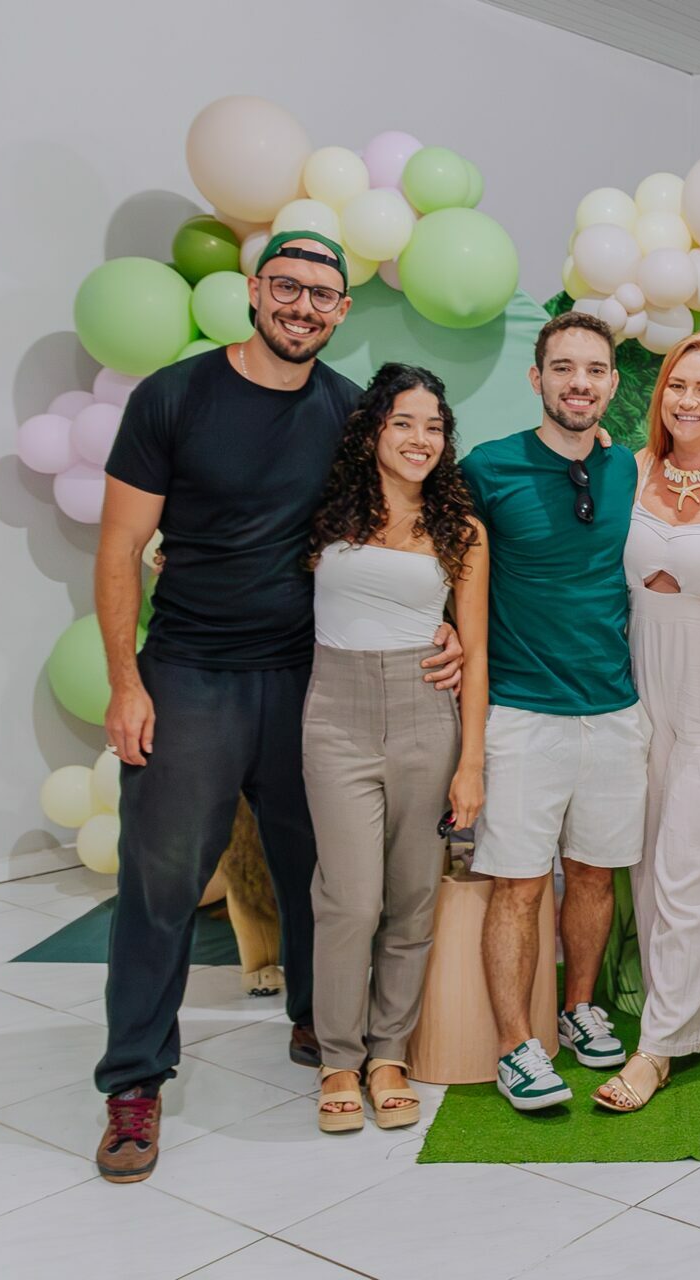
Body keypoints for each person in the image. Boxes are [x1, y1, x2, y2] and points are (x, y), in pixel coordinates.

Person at [92, 232, 461, 1183]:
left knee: (321, 874)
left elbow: (401, 528)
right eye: (288, 288)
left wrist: (449, 628)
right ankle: (134, 1080)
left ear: (342, 310)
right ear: (255, 291)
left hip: (313, 680)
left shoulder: (347, 414)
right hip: (191, 674)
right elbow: (121, 547)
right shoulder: (173, 396)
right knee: (161, 883)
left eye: (322, 295)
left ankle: (317, 1022)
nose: (303, 307)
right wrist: (127, 682)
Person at [465, 311, 645, 1111]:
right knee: (519, 886)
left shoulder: (627, 468)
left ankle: (578, 1009)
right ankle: (516, 1046)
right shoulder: (487, 467)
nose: (580, 383)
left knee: (596, 876)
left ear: (612, 383)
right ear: (537, 378)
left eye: (595, 369)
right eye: (564, 368)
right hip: (521, 712)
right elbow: (441, 561)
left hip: (614, 710)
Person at [303, 364, 488, 1132]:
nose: (420, 439)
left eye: (434, 426)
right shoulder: (325, 513)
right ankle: (338, 1060)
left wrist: (470, 763)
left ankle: (388, 1056)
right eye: (404, 422)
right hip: (335, 717)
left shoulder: (461, 531)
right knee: (349, 899)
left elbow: (475, 649)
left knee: (412, 899)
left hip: (425, 717)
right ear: (373, 430)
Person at [596, 332, 700, 1112]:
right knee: (647, 864)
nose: (688, 401)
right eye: (677, 385)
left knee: (692, 868)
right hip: (639, 687)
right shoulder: (628, 471)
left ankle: (657, 1049)